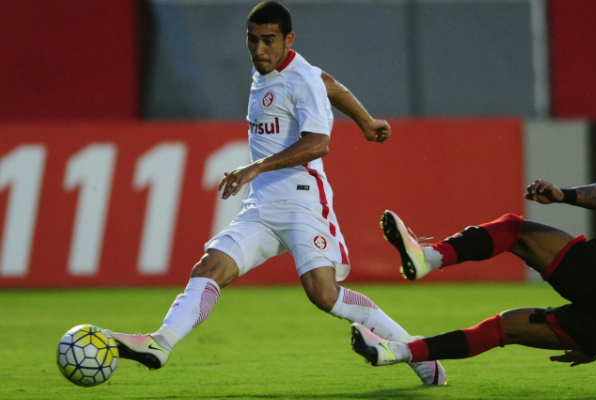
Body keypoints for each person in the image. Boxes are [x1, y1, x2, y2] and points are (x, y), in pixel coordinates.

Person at [107, 1, 445, 386]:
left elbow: (318, 143)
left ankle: (418, 351)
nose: (259, 50)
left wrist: (256, 167)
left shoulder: (298, 78)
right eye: (252, 41)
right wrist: (366, 121)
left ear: (289, 39)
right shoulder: (281, 72)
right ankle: (161, 342)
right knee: (209, 267)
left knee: (324, 295)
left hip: (302, 199)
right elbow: (330, 83)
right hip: (262, 205)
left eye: (269, 40)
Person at [351, 108, 596, 369]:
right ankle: (398, 352)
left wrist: (565, 194)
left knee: (515, 230)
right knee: (508, 327)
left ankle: (429, 258)